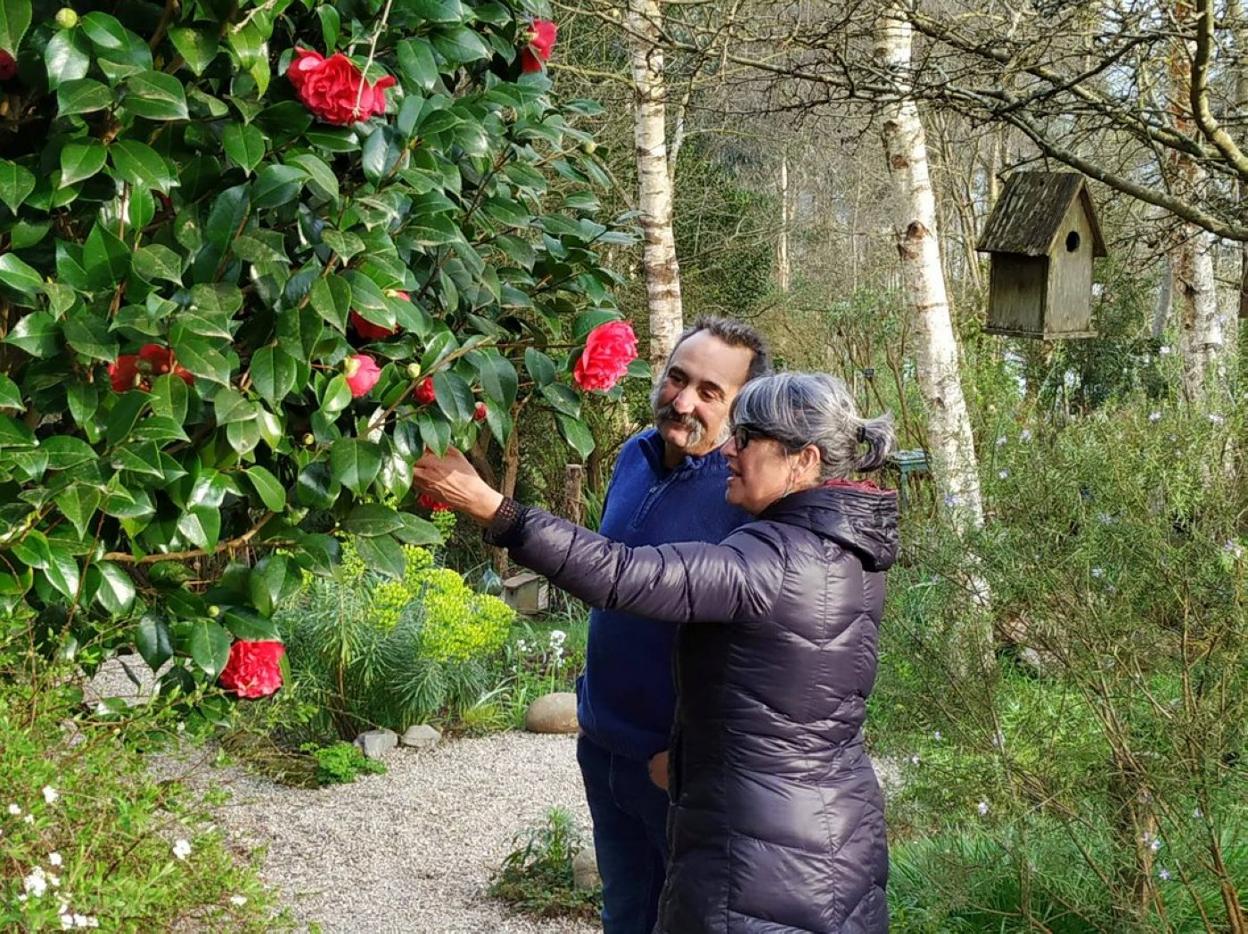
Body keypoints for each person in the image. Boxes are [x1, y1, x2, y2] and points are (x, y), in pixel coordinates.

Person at [413, 372, 898, 933]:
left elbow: (625, 576)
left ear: (804, 460)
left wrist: (498, 511)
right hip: (827, 828)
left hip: (763, 856)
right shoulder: (844, 550)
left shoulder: (777, 560)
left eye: (748, 438)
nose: (730, 449)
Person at [572, 317, 770, 934]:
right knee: (624, 911)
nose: (683, 401)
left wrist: (686, 757)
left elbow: (750, 656)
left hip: (670, 771)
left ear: (740, 410)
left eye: (710, 392)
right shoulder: (633, 454)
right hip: (602, 745)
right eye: (676, 378)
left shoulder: (743, 499)